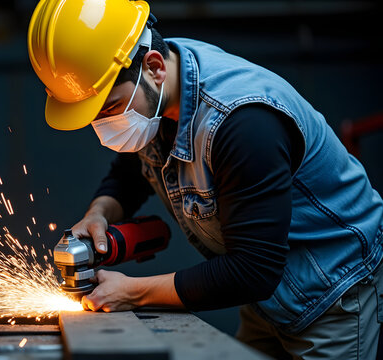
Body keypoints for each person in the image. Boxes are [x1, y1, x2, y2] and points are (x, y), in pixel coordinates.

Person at [27, 0, 383, 358]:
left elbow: (254, 271)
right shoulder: (160, 79)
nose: (104, 127)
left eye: (110, 108)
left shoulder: (244, 125)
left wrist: (130, 291)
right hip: (267, 298)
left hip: (332, 293)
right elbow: (132, 169)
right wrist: (98, 214)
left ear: (153, 68)